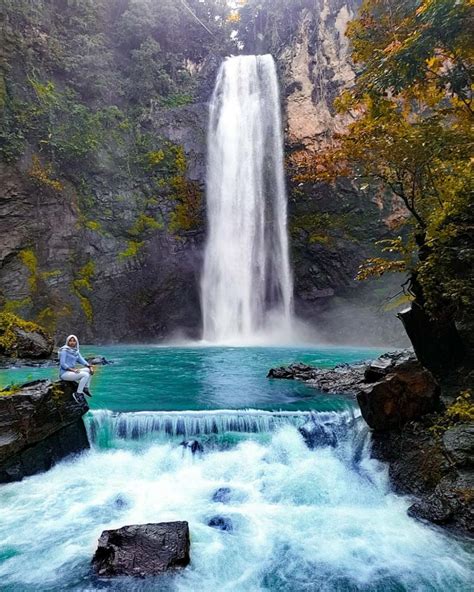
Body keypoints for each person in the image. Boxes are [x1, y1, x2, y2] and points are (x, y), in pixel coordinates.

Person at [58, 334, 94, 403]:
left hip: (71, 372)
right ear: (67, 342)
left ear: (76, 342)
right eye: (70, 341)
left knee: (88, 370)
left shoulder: (76, 351)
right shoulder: (64, 350)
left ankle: (85, 388)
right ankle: (78, 393)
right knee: (85, 375)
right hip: (64, 373)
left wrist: (90, 366)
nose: (72, 342)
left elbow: (82, 361)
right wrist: (73, 370)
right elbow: (62, 364)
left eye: (74, 341)